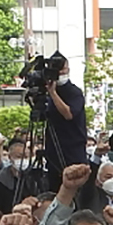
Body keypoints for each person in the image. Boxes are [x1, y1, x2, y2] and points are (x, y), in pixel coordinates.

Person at [37, 53, 90, 193]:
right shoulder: (47, 91)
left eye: (63, 69)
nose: (61, 73)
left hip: (73, 150)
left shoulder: (74, 92)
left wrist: (53, 94)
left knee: (75, 190)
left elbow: (68, 114)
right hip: (53, 149)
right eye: (57, 70)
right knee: (54, 190)